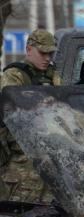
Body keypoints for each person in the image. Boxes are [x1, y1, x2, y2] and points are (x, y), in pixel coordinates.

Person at [0, 29, 61, 203]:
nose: (47, 58)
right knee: (19, 214)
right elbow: (13, 115)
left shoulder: (53, 76)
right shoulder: (14, 76)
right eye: (43, 53)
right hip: (22, 159)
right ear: (28, 50)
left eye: (50, 53)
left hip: (48, 157)